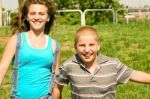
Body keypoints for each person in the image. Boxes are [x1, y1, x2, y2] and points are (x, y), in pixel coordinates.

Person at [54, 26, 150, 99]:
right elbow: (57, 86)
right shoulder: (69, 65)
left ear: (98, 46)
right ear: (75, 47)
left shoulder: (112, 64)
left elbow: (135, 75)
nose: (87, 50)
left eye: (91, 45)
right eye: (82, 45)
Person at [0, 0, 60, 98]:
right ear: (27, 17)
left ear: (48, 17)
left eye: (41, 14)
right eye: (32, 13)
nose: (37, 17)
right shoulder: (16, 40)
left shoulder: (54, 45)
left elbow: (56, 81)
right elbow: (1, 70)